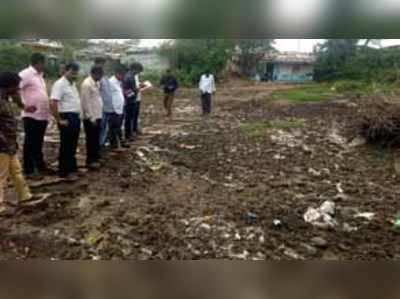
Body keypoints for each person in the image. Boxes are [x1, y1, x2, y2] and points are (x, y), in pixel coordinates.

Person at [0, 72, 42, 214]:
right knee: (1, 176)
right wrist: (4, 141)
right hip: (2, 145)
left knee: (17, 171)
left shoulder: (7, 97)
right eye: (16, 86)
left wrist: (25, 107)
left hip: (10, 144)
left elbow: (17, 99)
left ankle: (25, 196)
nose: (18, 88)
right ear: (8, 86)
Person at [19, 53, 51, 178]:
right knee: (30, 142)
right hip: (31, 115)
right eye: (44, 63)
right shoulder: (26, 74)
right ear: (38, 62)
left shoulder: (40, 76)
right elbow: (14, 88)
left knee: (38, 142)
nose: (45, 65)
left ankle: (40, 165)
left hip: (42, 115)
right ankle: (28, 170)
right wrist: (23, 105)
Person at [50, 62, 81, 179]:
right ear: (66, 70)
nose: (75, 74)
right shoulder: (60, 84)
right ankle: (64, 171)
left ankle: (72, 168)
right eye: (73, 72)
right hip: (66, 117)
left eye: (76, 72)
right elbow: (53, 102)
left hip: (75, 117)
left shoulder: (72, 84)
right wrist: (59, 119)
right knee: (66, 144)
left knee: (73, 144)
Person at [80, 66, 104, 169]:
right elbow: (86, 102)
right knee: (91, 139)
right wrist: (91, 117)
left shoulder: (96, 83)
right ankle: (90, 160)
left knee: (96, 138)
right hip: (91, 117)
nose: (101, 78)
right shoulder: (86, 84)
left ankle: (96, 157)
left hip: (97, 114)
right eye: (100, 75)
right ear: (95, 74)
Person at [94, 57, 114, 148]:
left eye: (103, 64)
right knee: (100, 127)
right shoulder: (95, 79)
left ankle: (102, 142)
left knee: (104, 126)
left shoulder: (105, 76)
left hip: (107, 106)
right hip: (100, 107)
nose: (102, 66)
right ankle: (98, 144)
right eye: (101, 64)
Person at [109, 65, 128, 150]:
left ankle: (120, 142)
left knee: (119, 126)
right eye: (122, 75)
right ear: (117, 73)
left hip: (120, 108)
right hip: (114, 109)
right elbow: (108, 97)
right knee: (114, 128)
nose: (123, 77)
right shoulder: (111, 82)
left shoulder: (119, 82)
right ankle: (114, 144)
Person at [123, 63, 139, 141]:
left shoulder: (129, 76)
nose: (138, 73)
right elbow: (127, 90)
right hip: (129, 100)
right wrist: (136, 90)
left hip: (131, 99)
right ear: (135, 69)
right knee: (129, 119)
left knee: (130, 118)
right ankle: (128, 135)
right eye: (138, 71)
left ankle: (129, 134)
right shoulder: (129, 77)